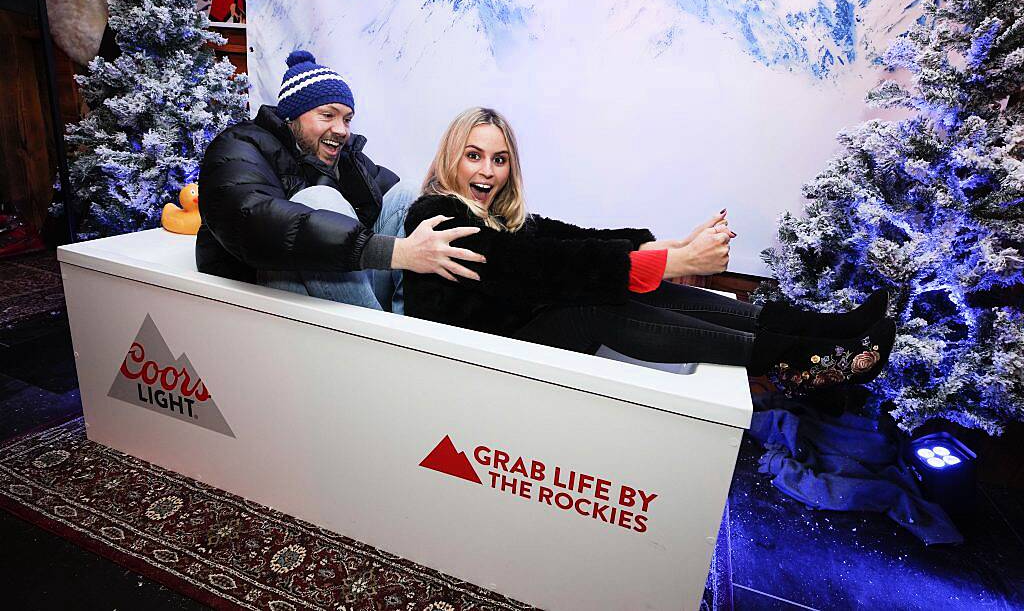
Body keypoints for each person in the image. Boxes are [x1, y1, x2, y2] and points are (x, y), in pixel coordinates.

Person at [402, 107, 896, 397]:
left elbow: (569, 238)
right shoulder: (436, 213)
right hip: (470, 358)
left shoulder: (499, 215)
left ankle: (823, 331)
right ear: (452, 157)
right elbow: (529, 268)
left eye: (499, 159)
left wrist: (667, 247)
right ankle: (792, 357)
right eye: (474, 156)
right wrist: (677, 262)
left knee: (629, 286)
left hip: (514, 332)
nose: (488, 171)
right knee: (593, 307)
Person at [196, 51, 486, 314]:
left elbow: (401, 204)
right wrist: (393, 252)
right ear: (290, 117)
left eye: (347, 119)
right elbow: (252, 218)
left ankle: (407, 329)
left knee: (411, 194)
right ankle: (382, 348)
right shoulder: (239, 147)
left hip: (340, 300)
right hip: (262, 296)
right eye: (327, 115)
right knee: (319, 200)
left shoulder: (344, 160)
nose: (341, 130)